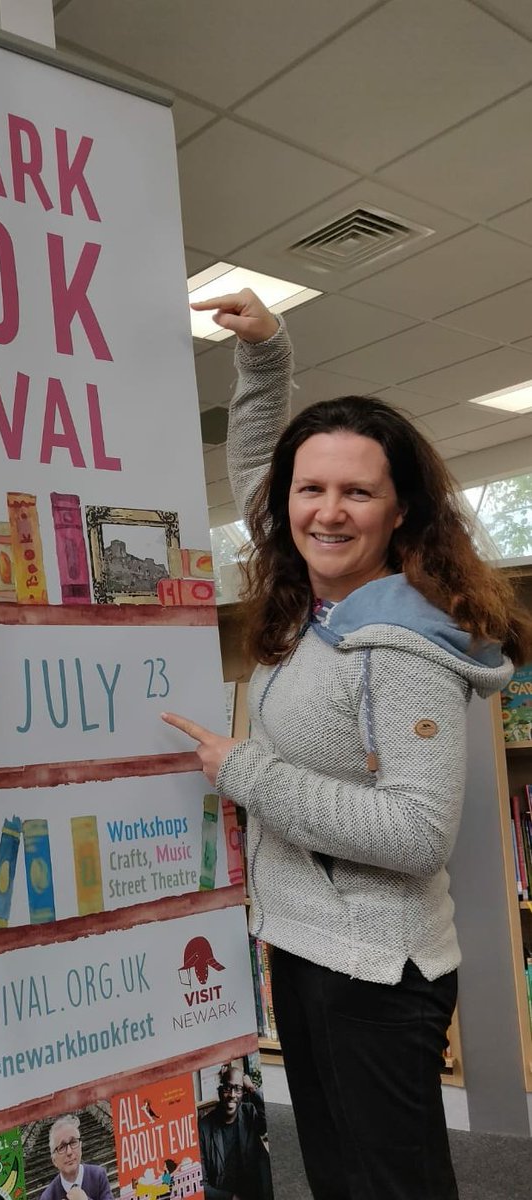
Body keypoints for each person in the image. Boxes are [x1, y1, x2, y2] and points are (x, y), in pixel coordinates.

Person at [161, 289, 532, 1200]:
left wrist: (242, 771)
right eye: (311, 490)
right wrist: (265, 359)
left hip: (373, 971)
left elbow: (415, 834)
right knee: (337, 1179)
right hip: (308, 948)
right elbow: (264, 471)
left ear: (400, 511)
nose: (327, 512)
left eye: (358, 491)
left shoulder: (400, 645)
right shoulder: (328, 606)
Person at [198, 1064, 273, 1200]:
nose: (232, 1095)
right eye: (227, 1088)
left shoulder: (249, 1113)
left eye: (238, 1089)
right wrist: (230, 1198)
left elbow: (270, 1123)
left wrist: (251, 1088)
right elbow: (200, 1185)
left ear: (243, 1092)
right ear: (220, 1091)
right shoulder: (204, 1127)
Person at [41, 1115, 113, 1200]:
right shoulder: (48, 1197)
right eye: (62, 1147)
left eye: (73, 1142)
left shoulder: (98, 1175)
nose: (69, 1152)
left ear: (80, 1147)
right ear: (54, 1161)